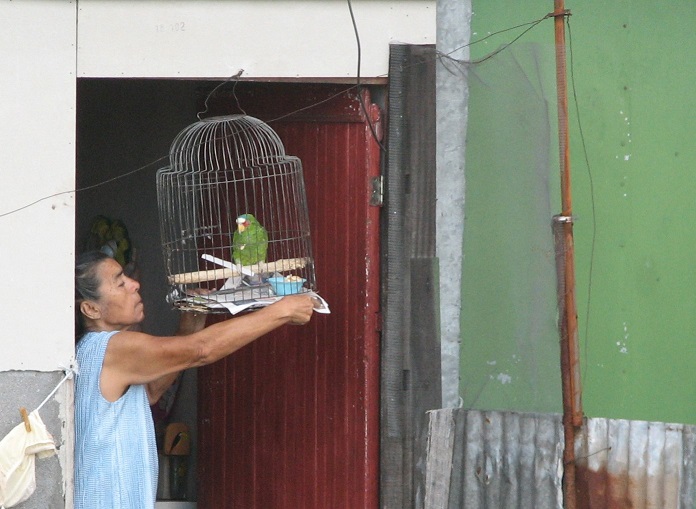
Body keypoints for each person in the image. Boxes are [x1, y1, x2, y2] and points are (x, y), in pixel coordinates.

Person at [73, 250, 315, 509]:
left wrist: (188, 327)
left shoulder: (91, 350)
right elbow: (201, 350)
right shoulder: (113, 347)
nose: (135, 284)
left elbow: (151, 392)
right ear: (90, 308)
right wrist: (281, 311)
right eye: (120, 283)